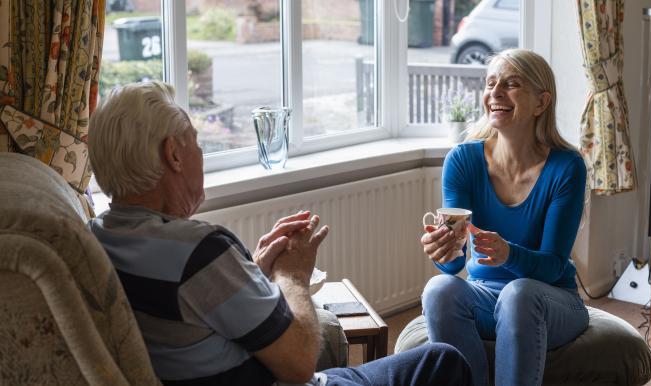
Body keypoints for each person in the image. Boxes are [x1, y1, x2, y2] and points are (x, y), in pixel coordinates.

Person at [87, 80, 473, 386]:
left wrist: (250, 269)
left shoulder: (96, 236)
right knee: (442, 361)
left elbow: (190, 315)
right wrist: (293, 276)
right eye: (197, 144)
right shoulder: (199, 250)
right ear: (173, 154)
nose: (200, 156)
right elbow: (299, 363)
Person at [419, 48, 589, 386]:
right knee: (439, 289)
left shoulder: (566, 166)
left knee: (519, 293)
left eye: (511, 84)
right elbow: (456, 266)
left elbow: (554, 265)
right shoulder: (463, 161)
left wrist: (508, 253)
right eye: (491, 83)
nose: (495, 93)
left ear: (541, 103)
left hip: (552, 300)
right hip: (485, 295)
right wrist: (444, 252)